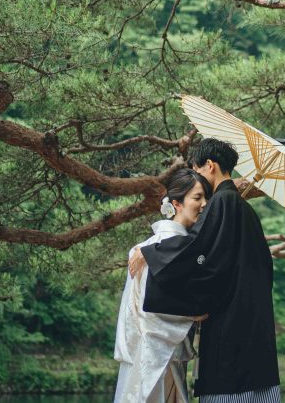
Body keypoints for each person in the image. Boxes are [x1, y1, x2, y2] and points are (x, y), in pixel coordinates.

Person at [129, 137, 281, 402]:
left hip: (230, 331)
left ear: (209, 165)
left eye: (197, 171)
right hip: (255, 330)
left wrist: (150, 251)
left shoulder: (221, 203)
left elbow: (195, 248)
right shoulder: (246, 211)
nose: (197, 179)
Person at [114, 168, 212, 403]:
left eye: (205, 198)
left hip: (165, 352)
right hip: (156, 354)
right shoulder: (163, 246)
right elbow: (149, 308)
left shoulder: (153, 247)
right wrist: (194, 314)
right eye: (197, 198)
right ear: (176, 203)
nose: (204, 204)